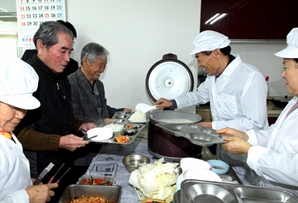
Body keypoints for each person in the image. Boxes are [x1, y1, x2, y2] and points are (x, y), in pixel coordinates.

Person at [153, 30, 269, 185]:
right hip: (225, 150)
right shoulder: (213, 76)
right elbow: (199, 95)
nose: (199, 65)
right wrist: (172, 103)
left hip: (248, 154)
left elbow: (255, 123)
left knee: (247, 190)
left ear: (216, 53)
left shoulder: (250, 77)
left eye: (200, 59)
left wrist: (212, 126)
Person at [14, 21, 96, 203]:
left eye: (70, 52)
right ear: (41, 46)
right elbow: (17, 133)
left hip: (63, 162)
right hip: (39, 169)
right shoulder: (26, 79)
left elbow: (64, 114)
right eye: (62, 51)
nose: (67, 59)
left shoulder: (60, 77)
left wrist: (79, 124)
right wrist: (58, 142)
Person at [217, 27, 298, 196]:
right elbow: (274, 136)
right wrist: (245, 136)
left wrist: (248, 150)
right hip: (270, 191)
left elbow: (294, 169)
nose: (283, 74)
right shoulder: (294, 102)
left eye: (286, 66)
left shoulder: (250, 75)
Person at [68, 42, 132, 175]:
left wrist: (120, 111)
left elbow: (103, 109)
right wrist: (102, 123)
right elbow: (73, 116)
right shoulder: (70, 83)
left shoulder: (99, 85)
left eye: (105, 65)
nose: (102, 70)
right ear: (86, 61)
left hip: (102, 147)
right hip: (82, 152)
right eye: (100, 65)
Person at [0, 57, 58, 202]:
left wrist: (26, 184)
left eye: (24, 107)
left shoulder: (5, 131)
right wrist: (26, 197)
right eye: (14, 107)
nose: (21, 114)